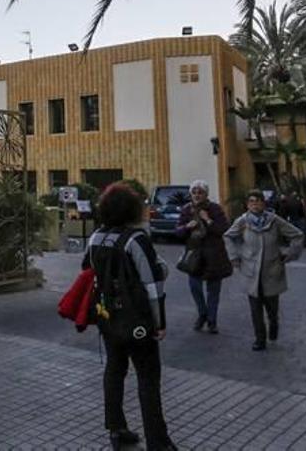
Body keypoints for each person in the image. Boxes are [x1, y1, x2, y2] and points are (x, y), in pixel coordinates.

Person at [82, 184, 176, 451]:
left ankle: (116, 428)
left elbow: (90, 271)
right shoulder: (136, 240)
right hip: (137, 320)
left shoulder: (96, 237)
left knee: (114, 370)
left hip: (108, 316)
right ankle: (158, 441)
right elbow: (153, 285)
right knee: (147, 377)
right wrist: (159, 323)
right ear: (132, 209)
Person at [224, 189, 304, 351]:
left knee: (272, 309)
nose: (255, 204)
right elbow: (228, 236)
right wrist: (234, 256)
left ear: (263, 203)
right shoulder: (243, 221)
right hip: (251, 271)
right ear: (247, 205)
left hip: (271, 270)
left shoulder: (274, 220)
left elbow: (297, 235)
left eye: (258, 201)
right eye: (251, 202)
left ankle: (273, 326)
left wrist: (289, 254)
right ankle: (259, 339)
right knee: (255, 309)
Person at [175, 180, 232, 334]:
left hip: (214, 255)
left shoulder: (215, 209)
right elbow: (178, 232)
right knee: (195, 288)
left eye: (200, 192)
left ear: (206, 194)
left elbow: (223, 229)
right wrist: (186, 227)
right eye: (194, 192)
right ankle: (202, 313)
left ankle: (212, 321)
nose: (197, 195)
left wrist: (208, 220)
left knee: (213, 291)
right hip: (194, 256)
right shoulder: (187, 209)